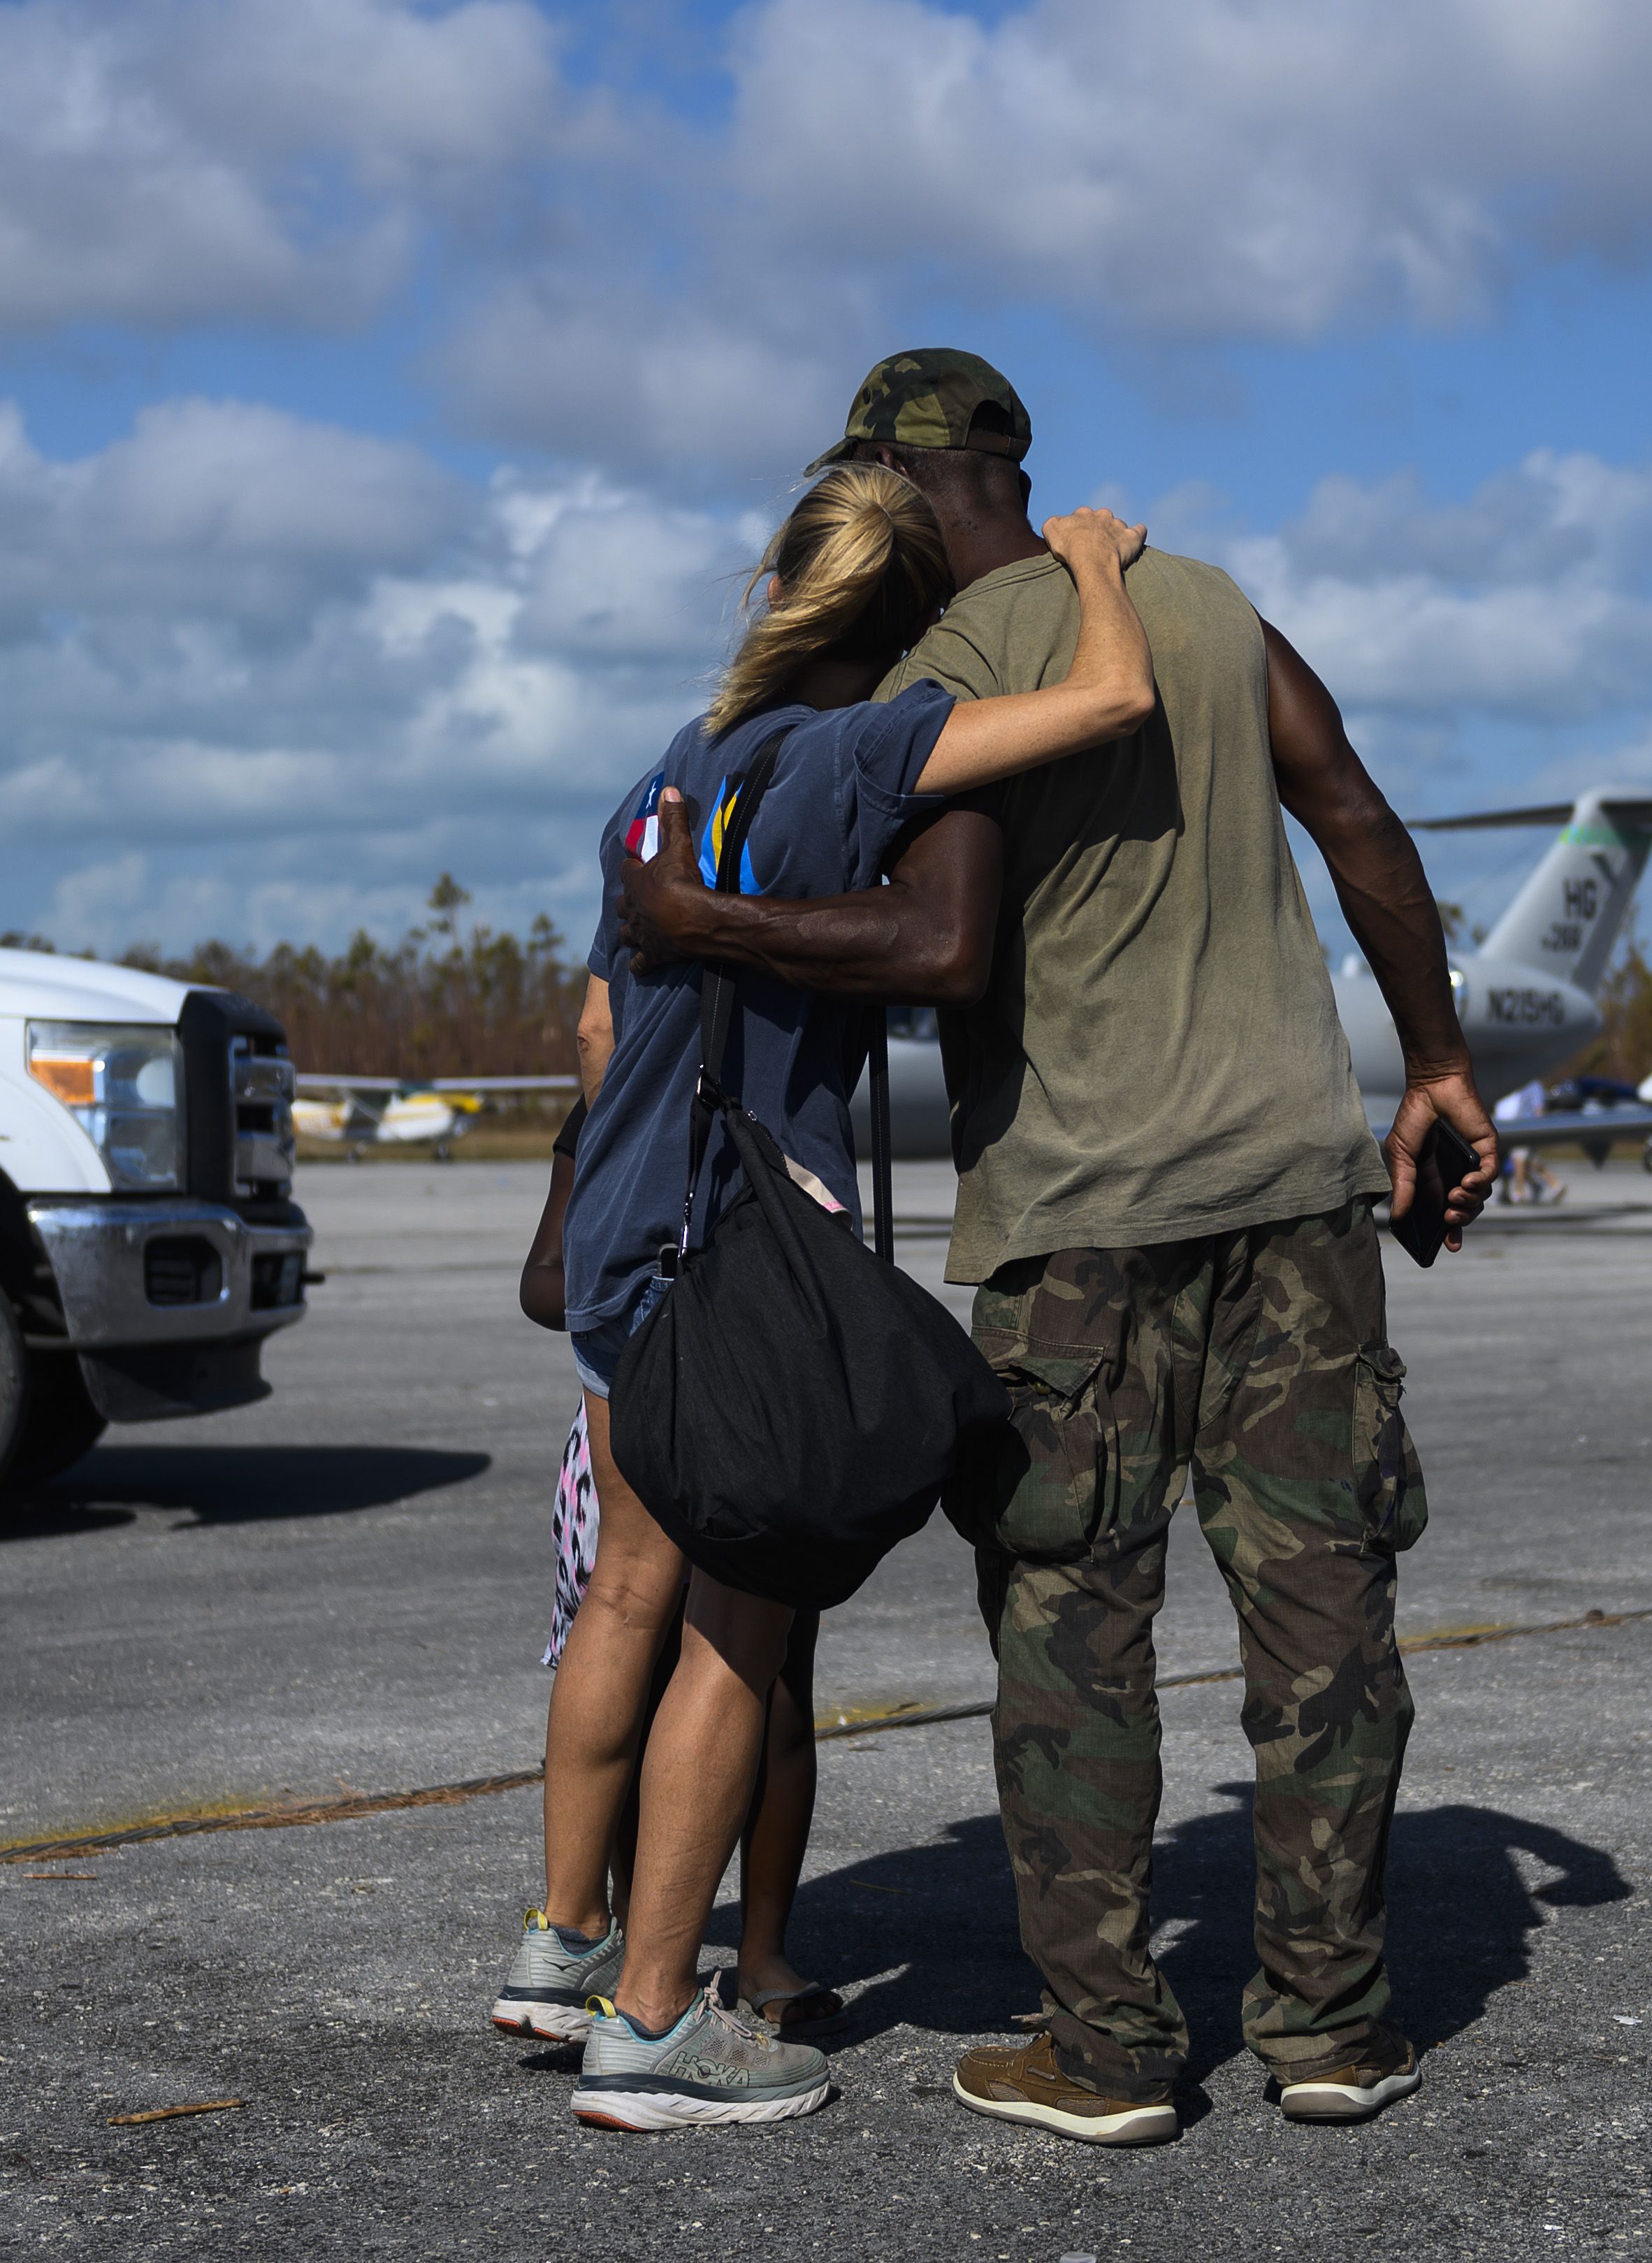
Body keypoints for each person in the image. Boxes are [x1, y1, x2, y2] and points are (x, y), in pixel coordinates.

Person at [616, 347, 1500, 2146]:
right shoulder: (1207, 603)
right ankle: (1332, 2031)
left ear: (877, 482)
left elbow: (935, 942)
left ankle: (1104, 2054)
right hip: (1295, 1204)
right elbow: (1361, 829)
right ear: (1018, 465)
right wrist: (1439, 1067)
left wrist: (708, 923)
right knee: (1324, 1620)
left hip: (1081, 1224)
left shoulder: (959, 666)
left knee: (1072, 1637)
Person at [530, 458, 1165, 2133]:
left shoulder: (662, 784)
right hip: (736, 1251)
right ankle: (657, 2022)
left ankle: (562, 1942)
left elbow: (600, 1036)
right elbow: (1114, 697)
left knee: (631, 1601)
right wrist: (1093, 560)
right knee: (740, 1641)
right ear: (905, 619)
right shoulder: (857, 751)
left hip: (621, 1236)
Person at [499, 1099, 841, 2041]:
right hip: (659, 1434)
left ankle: (759, 1951)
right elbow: (543, 1282)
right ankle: (621, 1935)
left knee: (776, 1684)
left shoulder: (653, 1083)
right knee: (650, 1670)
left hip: (677, 1419)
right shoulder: (613, 1113)